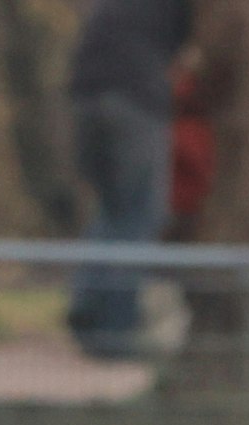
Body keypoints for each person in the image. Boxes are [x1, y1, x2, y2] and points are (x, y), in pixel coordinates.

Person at [64, 0, 195, 359]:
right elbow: (195, 57)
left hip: (84, 94)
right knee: (142, 213)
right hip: (137, 100)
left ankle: (86, 308)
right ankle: (114, 332)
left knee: (112, 209)